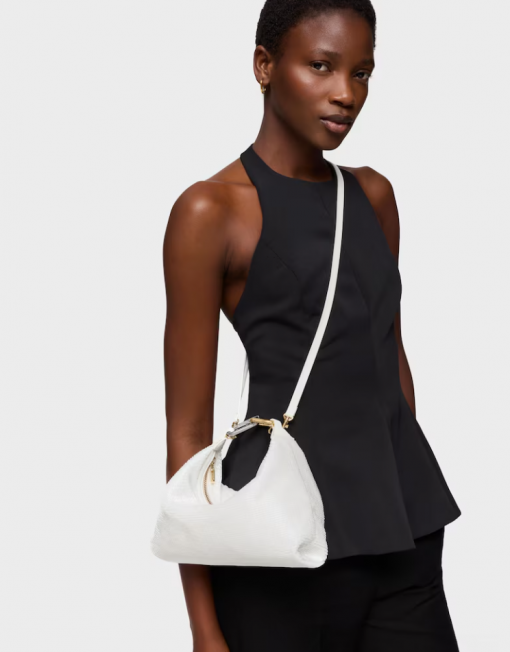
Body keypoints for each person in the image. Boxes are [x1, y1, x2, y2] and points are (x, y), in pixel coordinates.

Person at [162, 1, 461, 650]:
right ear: (264, 66)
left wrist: (398, 482)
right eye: (321, 66)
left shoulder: (374, 196)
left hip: (404, 534)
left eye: (361, 72)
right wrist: (204, 630)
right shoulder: (211, 212)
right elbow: (186, 432)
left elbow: (390, 356)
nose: (345, 93)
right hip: (280, 547)